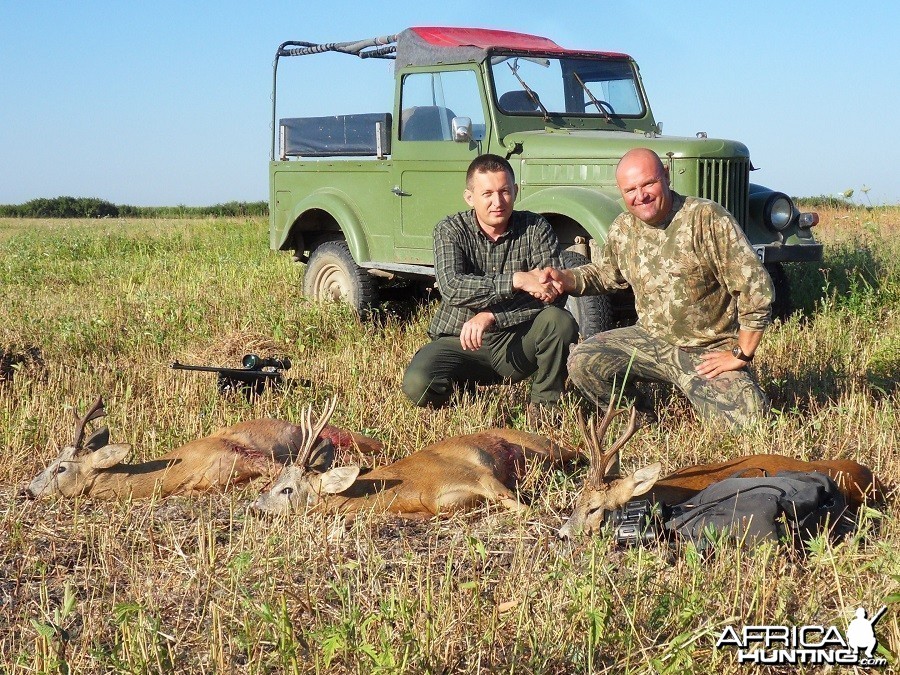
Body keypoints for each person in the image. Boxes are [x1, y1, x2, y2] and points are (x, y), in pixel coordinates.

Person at [547, 147, 774, 428]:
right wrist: (564, 279)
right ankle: (640, 421)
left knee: (750, 423)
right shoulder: (623, 228)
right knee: (584, 361)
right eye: (630, 189)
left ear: (666, 176)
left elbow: (756, 288)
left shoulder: (705, 218)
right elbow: (607, 275)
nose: (640, 196)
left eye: (648, 184)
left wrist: (740, 353)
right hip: (650, 339)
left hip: (707, 347)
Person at [402, 154, 578, 414]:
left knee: (559, 320)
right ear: (469, 197)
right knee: (418, 385)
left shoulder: (536, 228)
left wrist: (492, 315)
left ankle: (545, 409)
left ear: (515, 191)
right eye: (487, 194)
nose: (498, 202)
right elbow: (452, 286)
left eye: (505, 191)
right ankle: (463, 395)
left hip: (518, 339)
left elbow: (551, 291)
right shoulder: (450, 230)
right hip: (460, 340)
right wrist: (517, 279)